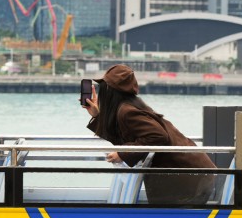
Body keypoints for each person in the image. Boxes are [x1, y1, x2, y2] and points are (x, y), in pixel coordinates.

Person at [83, 64, 216, 206]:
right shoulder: (130, 106)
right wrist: (98, 116)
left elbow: (158, 136)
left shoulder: (127, 111)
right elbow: (125, 137)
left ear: (111, 91)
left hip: (189, 178)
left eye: (104, 87)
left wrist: (123, 154)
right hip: (194, 174)